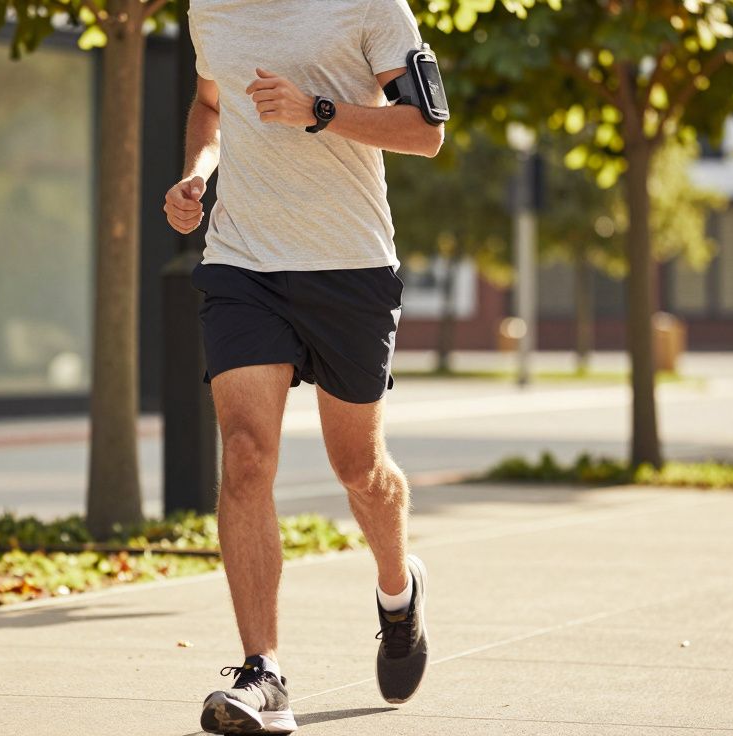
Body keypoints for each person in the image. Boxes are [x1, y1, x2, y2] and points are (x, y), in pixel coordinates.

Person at [167, 1, 444, 732]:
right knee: (247, 455)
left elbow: (426, 133)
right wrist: (196, 173)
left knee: (359, 469)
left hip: (349, 266)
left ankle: (397, 591)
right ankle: (265, 674)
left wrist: (318, 111)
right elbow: (209, 103)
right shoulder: (210, 8)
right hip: (242, 264)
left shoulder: (372, 6)